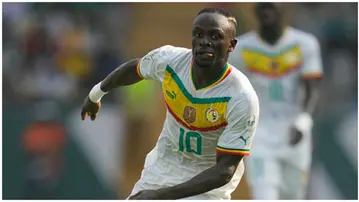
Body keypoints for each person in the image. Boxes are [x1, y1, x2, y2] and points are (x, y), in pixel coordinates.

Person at [81, 8, 259, 200]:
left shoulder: (241, 97)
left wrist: (160, 196)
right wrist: (95, 94)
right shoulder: (171, 61)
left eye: (215, 36)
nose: (204, 42)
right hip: (162, 169)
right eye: (198, 34)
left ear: (231, 45)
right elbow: (136, 68)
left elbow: (225, 170)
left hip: (206, 186)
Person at [228, 3, 323, 200]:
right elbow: (232, 91)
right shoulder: (241, 48)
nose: (266, 12)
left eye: (271, 7)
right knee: (264, 193)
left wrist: (303, 121)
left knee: (293, 194)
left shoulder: (304, 43)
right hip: (259, 131)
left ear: (284, 9)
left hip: (293, 129)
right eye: (262, 7)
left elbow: (312, 88)